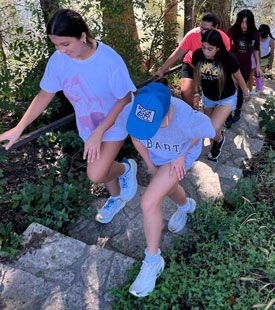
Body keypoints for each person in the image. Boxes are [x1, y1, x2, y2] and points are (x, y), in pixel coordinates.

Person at [0, 9, 138, 224]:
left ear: (83, 36)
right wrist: (19, 127)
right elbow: (45, 94)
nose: (61, 51)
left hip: (114, 120)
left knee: (96, 173)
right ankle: (116, 196)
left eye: (65, 44)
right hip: (87, 123)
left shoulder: (109, 60)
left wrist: (99, 132)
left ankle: (127, 167)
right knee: (100, 163)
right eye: (55, 45)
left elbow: (124, 98)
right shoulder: (59, 60)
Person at [121, 82, 215, 297]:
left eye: (155, 124)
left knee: (148, 201)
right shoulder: (137, 108)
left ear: (168, 112)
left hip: (178, 158)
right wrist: (149, 163)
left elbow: (202, 131)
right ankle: (186, 205)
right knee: (168, 187)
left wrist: (182, 155)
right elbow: (136, 137)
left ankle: (153, 260)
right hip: (157, 155)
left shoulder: (186, 117)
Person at [192, 29, 250, 161]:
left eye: (210, 49)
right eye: (204, 47)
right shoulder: (198, 55)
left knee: (211, 129)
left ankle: (218, 139)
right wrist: (196, 93)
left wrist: (246, 94)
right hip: (208, 98)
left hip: (226, 98)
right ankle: (219, 139)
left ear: (218, 48)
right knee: (212, 131)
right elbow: (195, 74)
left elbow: (239, 78)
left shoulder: (228, 59)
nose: (205, 52)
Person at [154, 13, 231, 108]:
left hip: (211, 67)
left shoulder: (224, 39)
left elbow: (225, 60)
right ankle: (194, 113)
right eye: (201, 27)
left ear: (216, 27)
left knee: (215, 94)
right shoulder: (192, 35)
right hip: (191, 64)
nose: (203, 31)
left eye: (207, 29)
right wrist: (162, 70)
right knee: (186, 93)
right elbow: (177, 54)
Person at [225, 9, 262, 129]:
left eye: (246, 22)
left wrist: (258, 66)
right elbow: (224, 47)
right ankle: (227, 114)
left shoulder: (255, 34)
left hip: (245, 67)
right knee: (229, 91)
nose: (243, 25)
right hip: (231, 67)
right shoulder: (232, 31)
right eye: (241, 22)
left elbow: (256, 50)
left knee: (241, 90)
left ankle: (238, 110)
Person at [248, 24, 275, 92]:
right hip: (256, 58)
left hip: (265, 60)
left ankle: (258, 89)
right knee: (254, 74)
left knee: (258, 74)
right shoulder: (256, 37)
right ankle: (259, 82)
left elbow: (272, 54)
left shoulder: (271, 40)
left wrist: (271, 64)